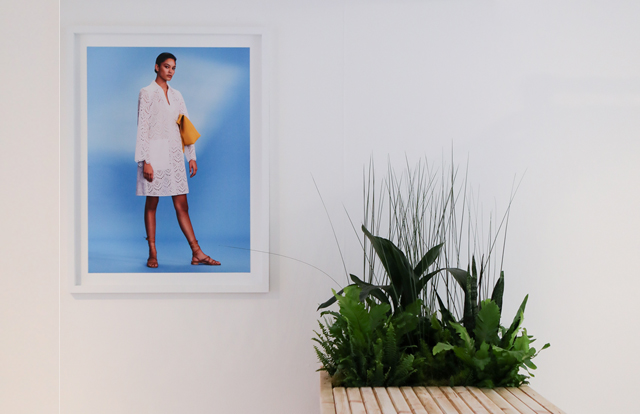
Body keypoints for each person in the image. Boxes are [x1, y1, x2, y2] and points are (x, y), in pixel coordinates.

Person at [134, 52, 220, 268]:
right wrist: (146, 160)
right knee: (152, 203)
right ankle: (152, 252)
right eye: (166, 66)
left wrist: (191, 156)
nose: (170, 71)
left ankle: (196, 252)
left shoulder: (178, 95)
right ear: (156, 67)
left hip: (174, 155)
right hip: (153, 155)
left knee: (182, 205)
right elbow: (142, 128)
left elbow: (185, 126)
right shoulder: (146, 93)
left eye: (173, 67)